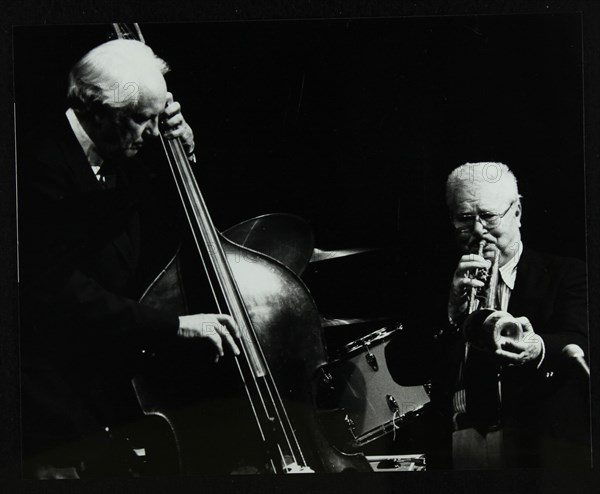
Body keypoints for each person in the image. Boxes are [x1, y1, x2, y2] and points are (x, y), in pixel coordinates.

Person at [18, 39, 241, 479]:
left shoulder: (123, 153)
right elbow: (60, 292)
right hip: (50, 404)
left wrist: (184, 152)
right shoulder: (35, 162)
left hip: (104, 388)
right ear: (98, 110)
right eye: (142, 119)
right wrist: (175, 324)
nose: (152, 132)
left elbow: (164, 228)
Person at [387, 161, 589, 469]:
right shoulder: (436, 284)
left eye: (489, 216)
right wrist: (449, 314)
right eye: (465, 218)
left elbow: (579, 340)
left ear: (517, 212)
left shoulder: (566, 274)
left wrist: (535, 348)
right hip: (453, 449)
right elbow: (403, 368)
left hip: (537, 450)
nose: (478, 230)